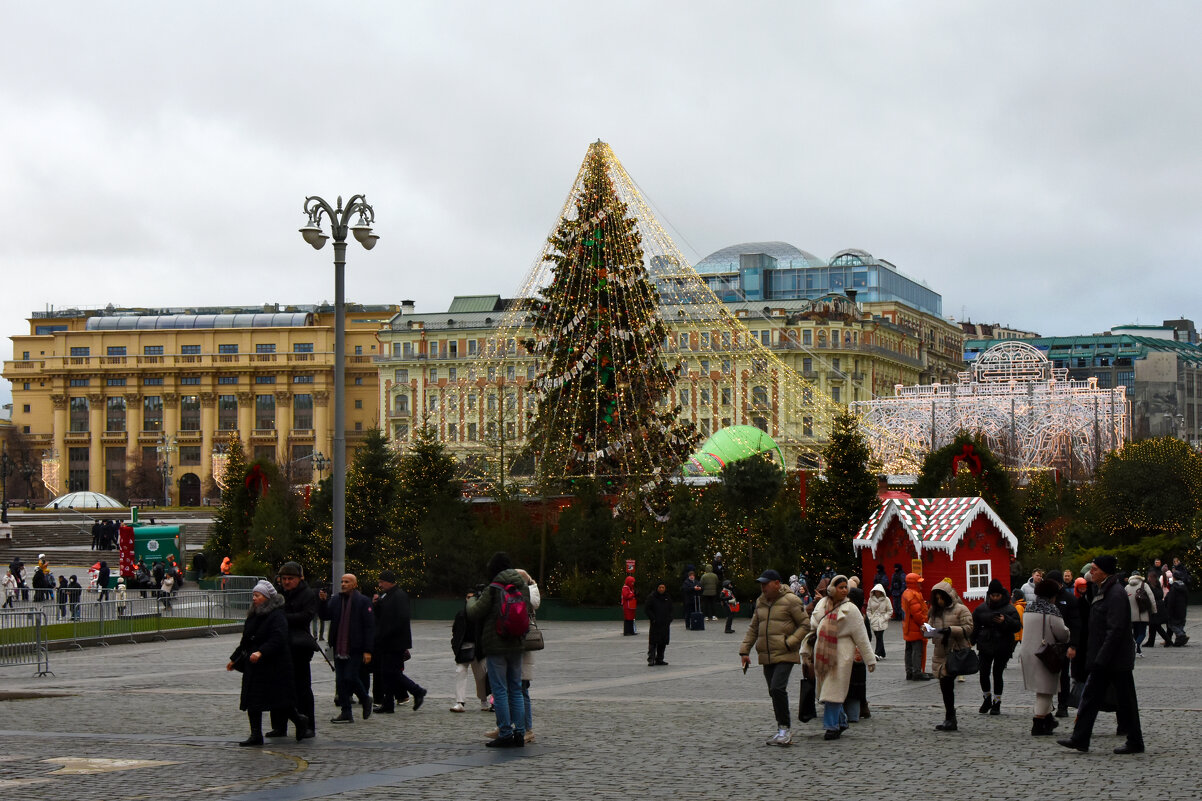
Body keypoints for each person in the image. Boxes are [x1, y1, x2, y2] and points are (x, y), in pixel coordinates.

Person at [1058, 555, 1145, 754]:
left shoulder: (1115, 593)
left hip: (1114, 659)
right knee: (1090, 698)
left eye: (1095, 569)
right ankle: (1080, 738)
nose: (1091, 572)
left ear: (1105, 572)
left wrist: (1101, 658)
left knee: (1125, 701)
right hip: (1105, 658)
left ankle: (1135, 741)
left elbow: (1115, 630)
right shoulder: (1104, 590)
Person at [226, 579, 308, 746]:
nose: (254, 598)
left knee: (280, 701)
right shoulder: (253, 615)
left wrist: (262, 651)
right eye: (253, 595)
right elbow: (246, 640)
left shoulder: (277, 615)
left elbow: (278, 638)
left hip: (274, 665)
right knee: (252, 700)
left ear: (267, 597)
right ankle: (256, 734)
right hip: (254, 665)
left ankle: (299, 720)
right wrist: (234, 659)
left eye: (258, 595)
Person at [739, 569, 810, 747]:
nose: (763, 587)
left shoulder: (791, 600)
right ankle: (781, 729)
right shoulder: (761, 602)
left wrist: (790, 642)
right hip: (766, 654)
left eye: (766, 584)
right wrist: (744, 651)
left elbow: (805, 624)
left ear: (777, 584)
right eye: (761, 584)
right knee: (773, 691)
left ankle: (785, 729)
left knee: (777, 688)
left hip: (785, 653)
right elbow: (754, 628)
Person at [466, 552, 530, 748]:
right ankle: (520, 732)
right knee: (516, 689)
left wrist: (471, 600)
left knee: (500, 690)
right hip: (517, 643)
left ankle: (505, 732)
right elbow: (527, 610)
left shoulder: (493, 588)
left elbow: (475, 612)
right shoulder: (522, 586)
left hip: (496, 645)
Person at [810, 575, 875, 740]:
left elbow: (861, 636)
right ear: (832, 589)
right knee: (828, 692)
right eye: (841, 587)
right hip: (823, 654)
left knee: (832, 692)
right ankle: (842, 721)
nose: (844, 590)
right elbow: (812, 627)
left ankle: (831, 727)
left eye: (846, 587)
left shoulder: (851, 609)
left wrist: (870, 659)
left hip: (841, 655)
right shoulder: (822, 604)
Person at [268, 562, 318, 740]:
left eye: (290, 578)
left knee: (302, 688)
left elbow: (306, 616)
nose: (286, 582)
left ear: (299, 578)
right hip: (280, 645)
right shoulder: (278, 593)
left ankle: (308, 725)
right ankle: (279, 726)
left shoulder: (307, 594)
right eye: (284, 578)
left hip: (299, 646)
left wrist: (282, 617)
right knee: (278, 687)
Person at [318, 573, 375, 724]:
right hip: (339, 646)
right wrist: (323, 602)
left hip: (355, 647)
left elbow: (369, 627)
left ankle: (365, 698)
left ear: (354, 584)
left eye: (347, 582)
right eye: (342, 581)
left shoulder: (363, 601)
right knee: (341, 680)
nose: (343, 584)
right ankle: (346, 712)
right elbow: (325, 616)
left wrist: (368, 650)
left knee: (350, 676)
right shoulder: (336, 600)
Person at [1020, 571, 1069, 735]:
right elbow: (1062, 634)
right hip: (1045, 655)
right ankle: (1038, 723)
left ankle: (1048, 720)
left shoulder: (1029, 607)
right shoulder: (1051, 610)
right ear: (1052, 595)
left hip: (1027, 653)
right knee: (1045, 691)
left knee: (1040, 689)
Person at [372, 569, 427, 714]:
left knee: (392, 672)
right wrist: (376, 606)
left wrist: (386, 633)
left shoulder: (399, 595)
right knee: (387, 673)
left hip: (395, 642)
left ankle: (417, 690)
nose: (380, 585)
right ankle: (388, 704)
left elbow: (402, 619)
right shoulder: (387, 595)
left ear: (389, 582)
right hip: (387, 641)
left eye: (382, 582)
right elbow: (382, 615)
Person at [927, 579, 974, 732]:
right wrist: (927, 630)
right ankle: (950, 717)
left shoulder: (961, 609)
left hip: (956, 651)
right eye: (937, 598)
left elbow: (969, 628)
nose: (939, 601)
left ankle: (950, 718)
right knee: (945, 686)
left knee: (947, 683)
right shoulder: (935, 611)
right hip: (940, 651)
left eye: (941, 598)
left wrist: (951, 630)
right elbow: (929, 627)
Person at [971, 579, 1021, 716]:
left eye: (997, 595)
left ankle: (997, 702)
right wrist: (971, 640)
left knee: (997, 674)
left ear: (1001, 595)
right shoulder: (981, 609)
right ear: (989, 595)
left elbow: (1017, 626)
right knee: (983, 673)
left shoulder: (1010, 609)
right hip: (985, 644)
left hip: (1003, 645)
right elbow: (975, 626)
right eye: (992, 595)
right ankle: (987, 698)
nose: (995, 598)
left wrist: (1005, 621)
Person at [901, 572, 931, 680]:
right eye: (918, 583)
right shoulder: (914, 595)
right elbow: (917, 613)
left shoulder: (906, 593)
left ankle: (909, 671)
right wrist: (924, 624)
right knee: (917, 650)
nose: (920, 585)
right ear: (913, 583)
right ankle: (917, 672)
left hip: (907, 627)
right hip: (915, 628)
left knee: (909, 650)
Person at [449, 595, 476, 713]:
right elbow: (455, 631)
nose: (470, 599)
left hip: (478, 648)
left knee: (482, 676)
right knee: (460, 671)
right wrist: (455, 645)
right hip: (464, 648)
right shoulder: (461, 614)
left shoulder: (481, 613)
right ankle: (460, 702)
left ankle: (485, 700)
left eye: (472, 597)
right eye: (468, 597)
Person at [1126, 570, 1157, 657]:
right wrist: (1154, 610)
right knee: (1142, 632)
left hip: (1131, 614)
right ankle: (1137, 644)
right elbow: (1151, 598)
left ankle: (1138, 652)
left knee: (1135, 632)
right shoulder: (1144, 585)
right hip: (1143, 612)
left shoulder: (1127, 587)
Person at [645, 582, 673, 666]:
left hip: (665, 623)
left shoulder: (667, 597)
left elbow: (671, 609)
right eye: (660, 587)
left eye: (663, 587)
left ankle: (660, 659)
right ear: (657, 588)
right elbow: (647, 609)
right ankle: (651, 659)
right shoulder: (652, 597)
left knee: (663, 642)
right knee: (653, 642)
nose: (661, 589)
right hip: (655, 623)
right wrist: (653, 619)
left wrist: (670, 619)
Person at [1146, 566, 1171, 648]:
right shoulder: (1157, 584)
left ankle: (1168, 640)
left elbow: (1152, 596)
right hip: (1159, 605)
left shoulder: (1150, 585)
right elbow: (1160, 595)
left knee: (1156, 625)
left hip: (1155, 606)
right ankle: (1150, 642)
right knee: (1153, 625)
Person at [867, 583, 892, 659]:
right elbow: (868, 610)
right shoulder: (871, 599)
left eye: (878, 591)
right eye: (876, 591)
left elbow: (890, 610)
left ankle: (877, 653)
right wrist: (870, 618)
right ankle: (882, 653)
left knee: (879, 636)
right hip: (874, 620)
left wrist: (885, 618)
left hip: (882, 620)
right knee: (878, 637)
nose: (877, 592)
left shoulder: (886, 599)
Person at [1165, 571, 1189, 646]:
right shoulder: (1184, 586)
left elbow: (1171, 600)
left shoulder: (1174, 587)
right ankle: (1179, 640)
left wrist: (1169, 610)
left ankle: (1181, 635)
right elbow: (1187, 598)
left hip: (1175, 609)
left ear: (1174, 578)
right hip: (1182, 608)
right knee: (1180, 624)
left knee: (1171, 624)